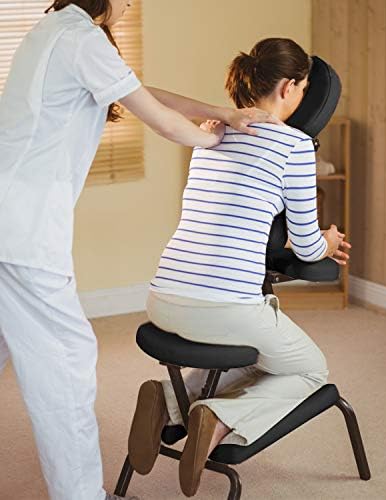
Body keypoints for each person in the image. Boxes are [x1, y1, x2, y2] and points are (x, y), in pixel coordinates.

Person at [0, 1, 279, 499]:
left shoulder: (58, 28)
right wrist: (217, 142)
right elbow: (163, 121)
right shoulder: (81, 39)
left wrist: (219, 113)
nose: (131, 4)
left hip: (11, 218)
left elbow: (140, 93)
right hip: (23, 228)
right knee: (65, 362)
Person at [129, 37, 351, 497]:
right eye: (303, 88)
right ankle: (217, 420)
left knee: (259, 352)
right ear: (288, 87)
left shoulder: (212, 133)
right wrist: (328, 241)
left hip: (162, 298)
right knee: (308, 369)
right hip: (224, 307)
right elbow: (308, 246)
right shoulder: (296, 145)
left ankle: (169, 402)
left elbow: (236, 210)